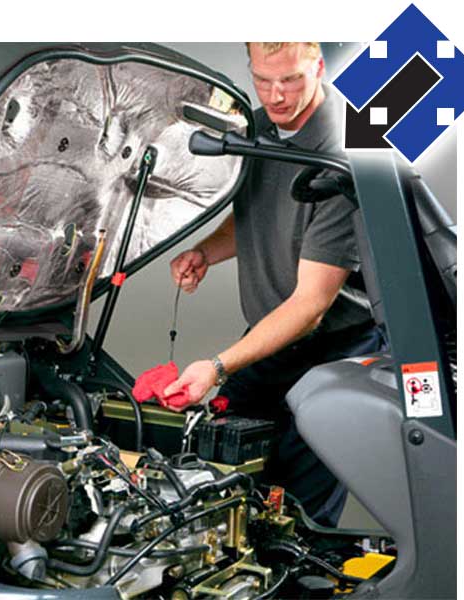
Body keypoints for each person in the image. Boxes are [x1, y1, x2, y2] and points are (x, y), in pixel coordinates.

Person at [164, 42, 386, 527]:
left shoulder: (348, 152)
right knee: (227, 490)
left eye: (290, 80)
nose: (276, 96)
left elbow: (310, 306)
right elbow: (253, 217)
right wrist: (206, 251)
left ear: (320, 67)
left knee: (298, 518)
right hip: (266, 341)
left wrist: (218, 367)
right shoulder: (260, 130)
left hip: (334, 352)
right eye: (263, 80)